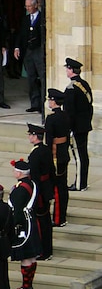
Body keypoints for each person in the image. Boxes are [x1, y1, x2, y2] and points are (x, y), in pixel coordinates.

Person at [9, 159, 42, 289]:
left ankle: (26, 286)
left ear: (19, 173)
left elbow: (17, 210)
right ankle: (28, 285)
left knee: (26, 256)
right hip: (31, 221)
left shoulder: (20, 189)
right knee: (31, 256)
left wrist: (14, 225)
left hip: (23, 224)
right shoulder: (32, 184)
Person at [64, 58, 93, 191]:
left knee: (79, 156)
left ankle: (81, 184)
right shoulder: (85, 84)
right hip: (84, 125)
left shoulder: (71, 88)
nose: (66, 70)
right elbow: (89, 106)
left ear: (71, 70)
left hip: (76, 127)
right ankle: (83, 182)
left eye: (67, 68)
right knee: (83, 154)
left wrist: (68, 128)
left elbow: (69, 112)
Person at [13, 0, 45, 113]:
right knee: (31, 78)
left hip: (38, 50)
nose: (28, 8)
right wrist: (17, 47)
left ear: (36, 5)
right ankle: (35, 103)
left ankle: (43, 104)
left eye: (30, 6)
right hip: (28, 52)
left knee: (42, 77)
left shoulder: (42, 18)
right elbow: (21, 34)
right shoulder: (26, 19)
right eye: (26, 6)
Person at [27, 123, 54, 259]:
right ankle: (46, 249)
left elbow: (35, 176)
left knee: (41, 222)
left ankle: (43, 250)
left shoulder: (36, 154)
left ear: (34, 136)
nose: (28, 137)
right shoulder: (46, 150)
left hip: (40, 192)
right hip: (46, 189)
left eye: (30, 134)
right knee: (45, 222)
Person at [44, 89, 71, 229]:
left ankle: (58, 218)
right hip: (63, 154)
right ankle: (62, 216)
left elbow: (49, 140)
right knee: (62, 187)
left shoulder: (51, 118)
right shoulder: (65, 115)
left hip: (55, 156)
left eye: (50, 99)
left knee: (57, 189)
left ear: (53, 101)